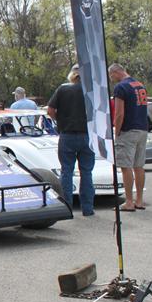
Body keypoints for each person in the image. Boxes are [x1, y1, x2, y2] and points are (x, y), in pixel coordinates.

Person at [47, 64, 95, 216]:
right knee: (86, 172)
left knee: (66, 171)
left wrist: (60, 120)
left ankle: (67, 208)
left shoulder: (63, 89)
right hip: (87, 135)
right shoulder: (91, 92)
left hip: (67, 134)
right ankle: (88, 209)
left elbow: (50, 110)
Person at [108, 63, 149, 211]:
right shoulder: (139, 85)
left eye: (111, 76)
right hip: (142, 128)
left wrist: (117, 131)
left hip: (128, 130)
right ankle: (139, 200)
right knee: (139, 166)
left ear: (116, 72)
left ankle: (129, 201)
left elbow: (119, 113)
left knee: (126, 167)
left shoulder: (121, 87)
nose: (111, 79)